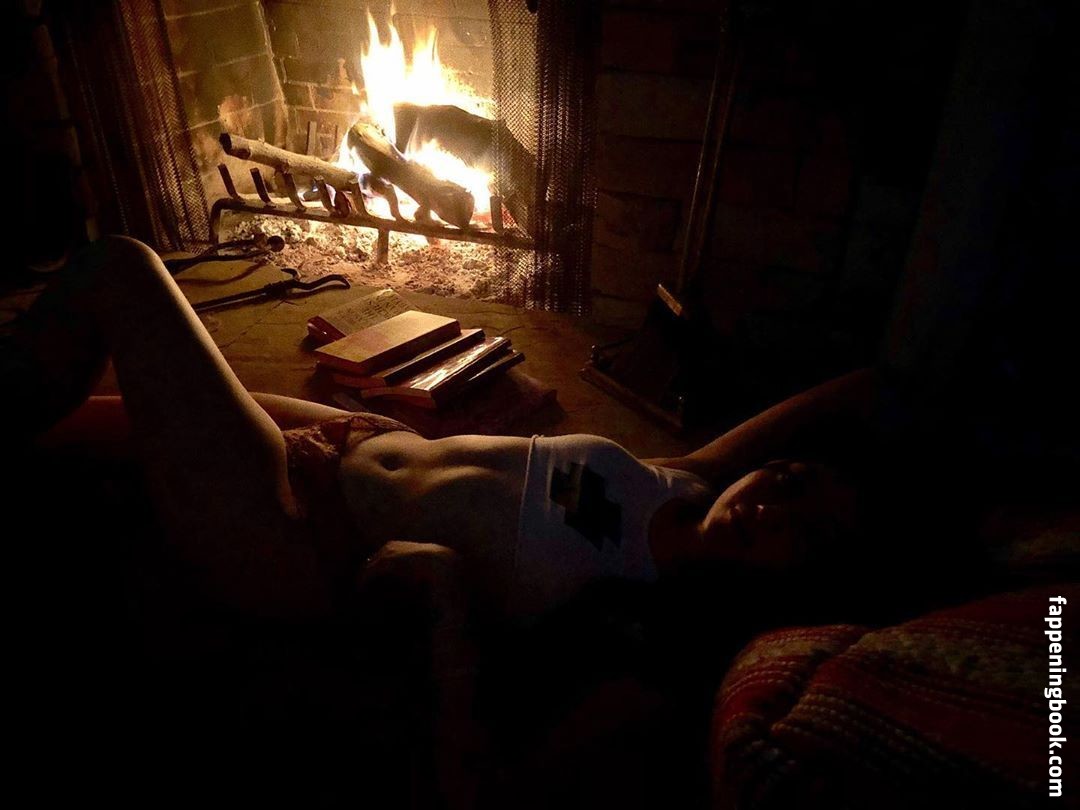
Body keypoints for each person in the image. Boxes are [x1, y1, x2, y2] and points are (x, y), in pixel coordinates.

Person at [11, 235, 871, 626]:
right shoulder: (681, 481)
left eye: (806, 533)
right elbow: (782, 425)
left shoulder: (641, 615)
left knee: (122, 271)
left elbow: (489, 730)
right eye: (790, 483)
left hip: (299, 534)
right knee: (126, 414)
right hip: (351, 444)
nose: (774, 507)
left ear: (804, 579)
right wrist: (891, 375)